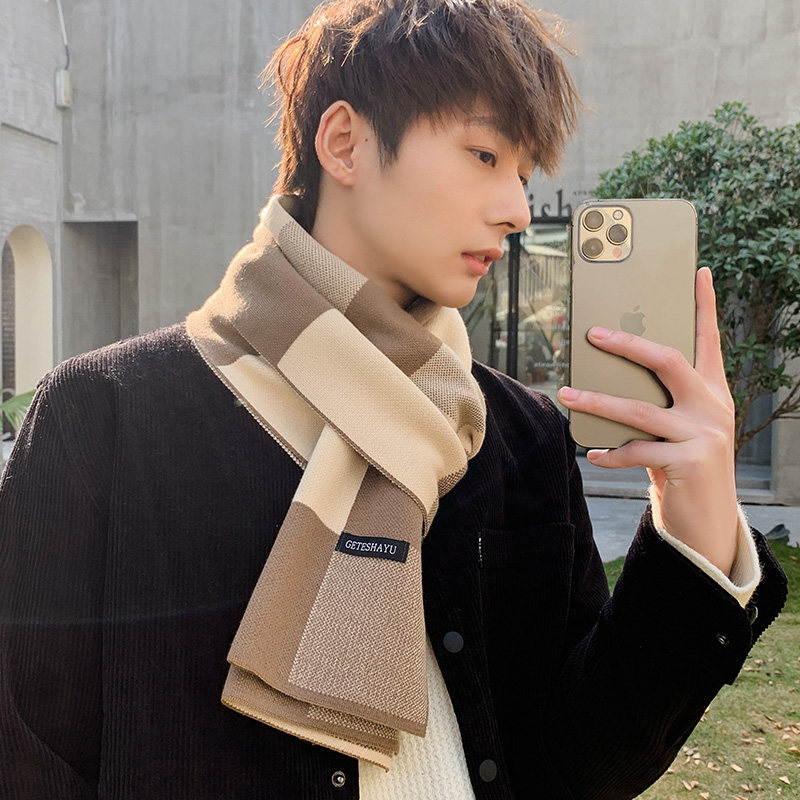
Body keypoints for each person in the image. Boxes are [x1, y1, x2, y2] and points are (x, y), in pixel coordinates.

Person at [0, 1, 787, 798]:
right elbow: (28, 754)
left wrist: (695, 525)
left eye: (522, 174)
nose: (517, 210)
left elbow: (580, 766)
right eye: (485, 155)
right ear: (344, 143)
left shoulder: (520, 438)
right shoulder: (107, 419)